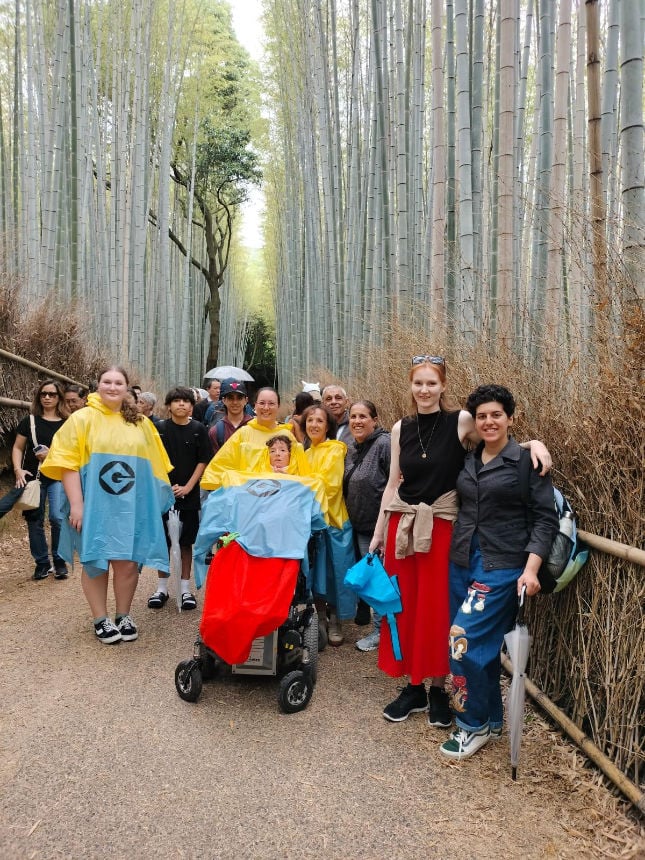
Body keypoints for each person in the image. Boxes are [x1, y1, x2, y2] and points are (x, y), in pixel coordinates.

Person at [370, 355, 551, 725]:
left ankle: (438, 687)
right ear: (410, 386)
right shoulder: (399, 428)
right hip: (402, 528)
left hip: (442, 529)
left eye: (431, 383)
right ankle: (414, 686)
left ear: (443, 386)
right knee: (405, 609)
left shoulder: (461, 421)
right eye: (418, 383)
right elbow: (392, 484)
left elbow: (497, 434)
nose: (424, 390)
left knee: (437, 610)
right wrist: (378, 534)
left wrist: (535, 443)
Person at [439, 384, 559, 760]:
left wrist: (532, 570)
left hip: (502, 566)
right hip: (462, 560)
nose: (489, 422)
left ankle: (470, 726)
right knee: (483, 651)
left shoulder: (527, 463)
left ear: (510, 417)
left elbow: (545, 520)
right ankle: (490, 720)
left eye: (496, 415)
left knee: (461, 640)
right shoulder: (470, 458)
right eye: (482, 416)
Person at [40, 365, 174, 644]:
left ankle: (123, 615)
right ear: (98, 386)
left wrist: (150, 506)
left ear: (126, 388)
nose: (112, 387)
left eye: (118, 383)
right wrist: (77, 504)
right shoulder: (81, 419)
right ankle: (100, 618)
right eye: (107, 382)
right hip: (95, 505)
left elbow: (154, 470)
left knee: (127, 562)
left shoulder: (141, 423)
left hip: (131, 505)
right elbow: (67, 464)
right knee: (96, 561)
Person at [148, 387, 212, 611]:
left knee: (185, 543)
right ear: (168, 406)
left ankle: (185, 589)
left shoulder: (198, 430)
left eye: (186, 401)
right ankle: (162, 588)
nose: (181, 405)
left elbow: (202, 461)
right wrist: (165, 487)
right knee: (163, 542)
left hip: (189, 494)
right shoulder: (159, 429)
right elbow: (152, 461)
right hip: (162, 495)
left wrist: (188, 487)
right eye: (176, 401)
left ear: (192, 406)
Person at [0, 380, 69, 580]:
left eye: (52, 394)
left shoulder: (67, 423)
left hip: (57, 475)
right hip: (34, 476)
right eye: (43, 394)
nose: (47, 397)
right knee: (35, 519)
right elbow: (17, 447)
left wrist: (52, 453)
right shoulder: (29, 421)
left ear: (59, 398)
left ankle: (59, 560)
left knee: (57, 517)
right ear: (39, 397)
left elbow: (74, 451)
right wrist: (17, 470)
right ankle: (42, 564)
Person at [302, 404, 356, 646]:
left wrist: (302, 485)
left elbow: (330, 485)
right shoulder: (303, 454)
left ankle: (336, 620)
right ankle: (320, 618)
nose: (314, 424)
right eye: (310, 420)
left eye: (319, 421)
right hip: (310, 523)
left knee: (336, 571)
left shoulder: (336, 448)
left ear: (328, 426)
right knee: (316, 573)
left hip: (333, 520)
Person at [344, 400, 391, 651]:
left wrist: (382, 530)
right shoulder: (352, 446)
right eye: (353, 416)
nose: (357, 421)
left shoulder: (384, 444)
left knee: (378, 582)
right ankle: (381, 629)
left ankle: (380, 633)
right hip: (356, 526)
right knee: (369, 581)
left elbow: (397, 484)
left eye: (363, 416)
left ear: (374, 419)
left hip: (377, 529)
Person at [201, 387, 308, 491]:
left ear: (278, 406)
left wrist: (286, 474)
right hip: (249, 502)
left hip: (280, 501)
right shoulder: (243, 434)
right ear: (254, 406)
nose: (266, 408)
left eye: (271, 403)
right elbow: (220, 470)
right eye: (261, 403)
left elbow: (301, 474)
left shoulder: (287, 436)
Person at [208, 379, 252, 454]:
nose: (235, 402)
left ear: (246, 400)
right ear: (224, 400)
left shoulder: (255, 426)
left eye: (239, 398)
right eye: (231, 398)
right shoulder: (215, 431)